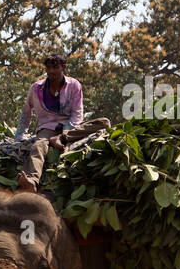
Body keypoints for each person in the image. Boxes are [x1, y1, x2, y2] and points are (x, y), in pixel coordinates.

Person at [14, 52, 109, 192]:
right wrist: (20, 136)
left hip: (71, 127)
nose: (51, 71)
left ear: (63, 67)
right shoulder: (37, 88)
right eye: (48, 68)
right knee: (38, 146)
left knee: (104, 122)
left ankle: (59, 138)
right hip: (47, 128)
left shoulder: (74, 85)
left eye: (55, 67)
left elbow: (77, 113)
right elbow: (26, 112)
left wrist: (65, 133)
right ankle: (32, 180)